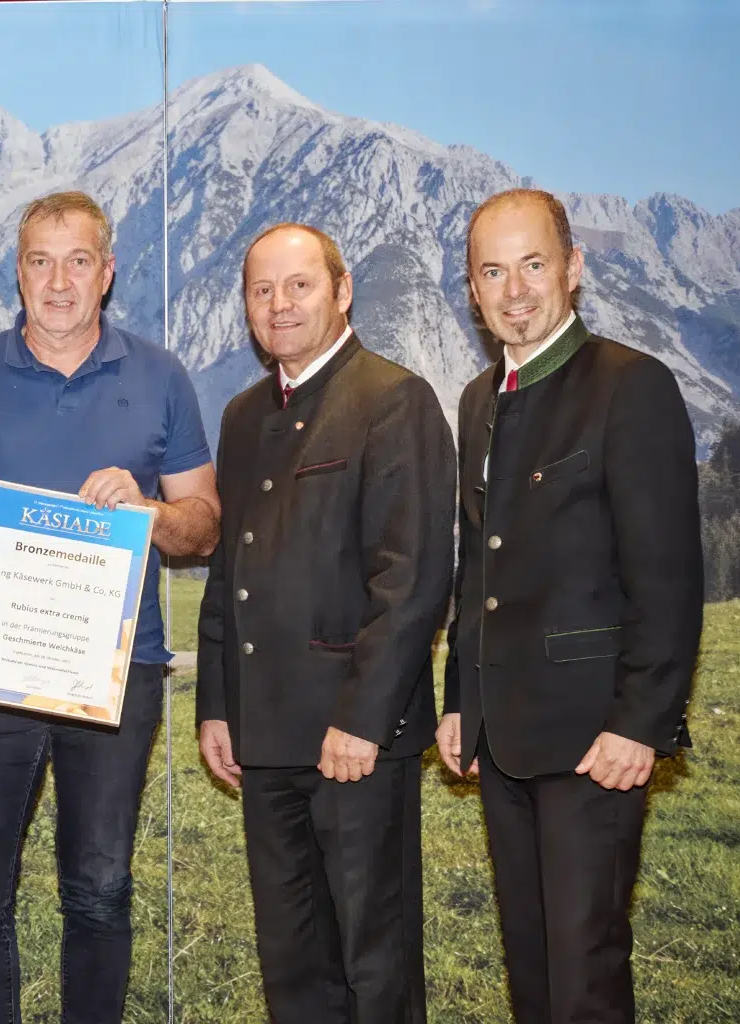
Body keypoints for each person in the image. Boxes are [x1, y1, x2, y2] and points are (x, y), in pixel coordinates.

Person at [0, 190, 221, 1024]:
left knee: (100, 892)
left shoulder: (161, 376)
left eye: (78, 260)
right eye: (40, 261)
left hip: (118, 675)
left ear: (107, 272)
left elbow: (204, 528)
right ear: (18, 274)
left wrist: (146, 513)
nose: (59, 280)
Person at [438, 188, 703, 1023]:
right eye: (493, 272)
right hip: (503, 739)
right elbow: (476, 567)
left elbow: (668, 578)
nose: (515, 290)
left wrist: (642, 722)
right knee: (531, 966)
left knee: (584, 973)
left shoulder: (633, 385)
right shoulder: (480, 401)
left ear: (572, 269)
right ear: (473, 291)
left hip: (596, 740)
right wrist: (459, 701)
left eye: (532, 265)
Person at [195, 223, 455, 1024]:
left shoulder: (392, 398)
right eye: (262, 290)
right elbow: (228, 573)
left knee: (373, 963)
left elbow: (411, 580)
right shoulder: (241, 415)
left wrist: (362, 719)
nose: (279, 305)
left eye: (299, 285)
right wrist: (215, 702)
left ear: (342, 291)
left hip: (354, 740)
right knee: (293, 966)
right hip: (264, 735)